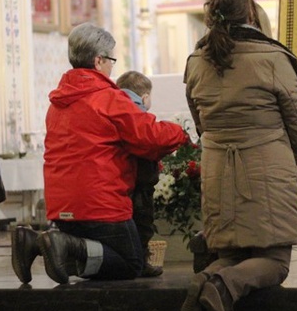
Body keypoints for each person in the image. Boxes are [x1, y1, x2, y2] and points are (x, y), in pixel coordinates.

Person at [181, 0, 297, 311]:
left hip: (217, 169)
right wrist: (284, 155)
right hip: (265, 164)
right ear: (251, 12)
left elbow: (200, 123)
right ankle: (222, 287)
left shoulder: (196, 61)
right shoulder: (271, 57)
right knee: (276, 261)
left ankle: (207, 278)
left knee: (232, 254)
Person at [11, 23, 187, 285]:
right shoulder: (108, 99)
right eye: (111, 60)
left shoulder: (57, 104)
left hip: (62, 206)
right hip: (99, 204)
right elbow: (151, 137)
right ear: (98, 60)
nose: (112, 67)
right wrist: (180, 132)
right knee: (131, 263)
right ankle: (64, 244)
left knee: (82, 251)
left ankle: (36, 241)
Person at [115, 70, 163, 277]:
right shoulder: (139, 115)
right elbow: (151, 142)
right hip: (141, 182)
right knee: (142, 223)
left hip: (121, 181)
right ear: (145, 97)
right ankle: (141, 262)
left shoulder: (113, 110)